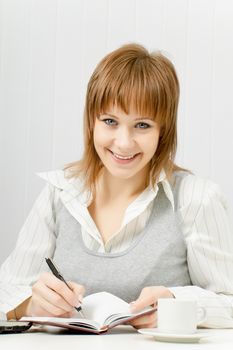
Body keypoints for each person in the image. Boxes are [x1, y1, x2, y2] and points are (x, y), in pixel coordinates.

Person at [0, 43, 233, 329]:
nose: (123, 143)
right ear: (91, 122)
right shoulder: (59, 192)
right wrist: (29, 305)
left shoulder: (196, 199)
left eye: (143, 125)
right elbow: (6, 291)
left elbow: (229, 301)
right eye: (110, 121)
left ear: (164, 131)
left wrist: (177, 304)